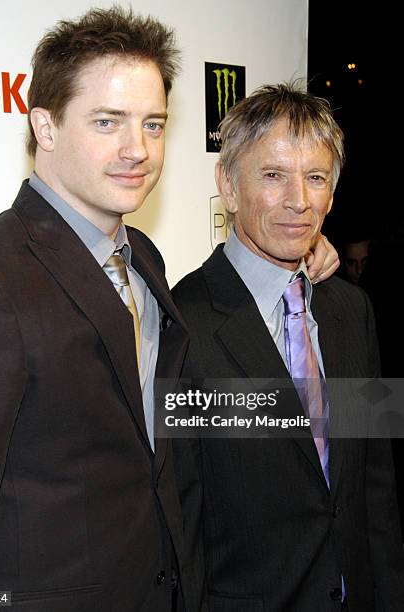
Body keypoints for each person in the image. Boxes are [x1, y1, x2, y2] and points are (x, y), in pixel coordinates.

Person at [0, 7, 338, 610]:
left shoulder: (145, 260)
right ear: (44, 127)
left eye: (153, 125)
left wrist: (294, 263)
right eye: (107, 122)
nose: (137, 149)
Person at [173, 83, 404, 611]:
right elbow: (180, 520)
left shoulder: (352, 310)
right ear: (228, 186)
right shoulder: (181, 323)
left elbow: (375, 486)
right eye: (273, 175)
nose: (298, 199)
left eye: (316, 178)